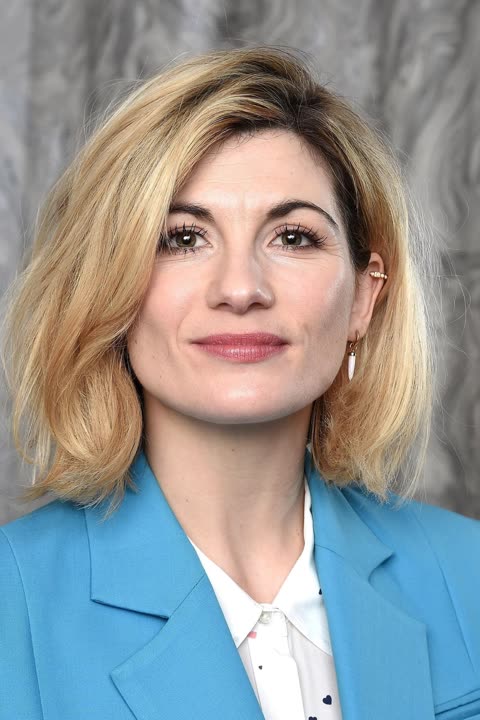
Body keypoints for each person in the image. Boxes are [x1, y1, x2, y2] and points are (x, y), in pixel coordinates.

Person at [0, 46, 478, 720]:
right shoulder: (13, 602)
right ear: (107, 288)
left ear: (363, 299)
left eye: (293, 237)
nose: (241, 288)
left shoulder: (468, 574)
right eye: (182, 238)